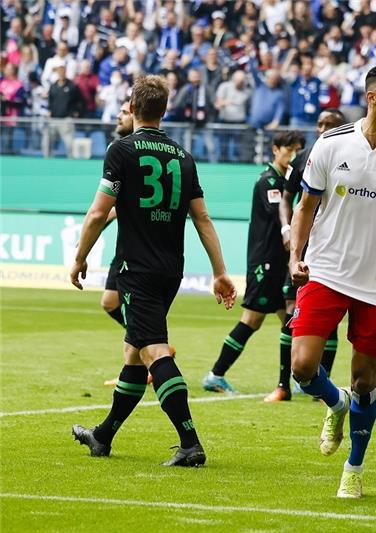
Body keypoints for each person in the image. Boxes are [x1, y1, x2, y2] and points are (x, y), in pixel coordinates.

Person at [70, 75, 237, 466]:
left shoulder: (121, 151)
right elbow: (203, 219)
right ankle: (103, 435)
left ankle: (190, 442)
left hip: (136, 269)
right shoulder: (183, 157)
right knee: (133, 351)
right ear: (165, 110)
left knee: (154, 352)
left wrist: (80, 257)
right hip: (170, 270)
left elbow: (98, 212)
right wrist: (220, 271)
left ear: (132, 105)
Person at [289, 64, 376, 498]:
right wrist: (296, 255)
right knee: (302, 367)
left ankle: (354, 467)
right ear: (372, 96)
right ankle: (336, 404)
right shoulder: (331, 144)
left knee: (366, 381)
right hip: (327, 270)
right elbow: (305, 208)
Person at [202, 130, 305, 395]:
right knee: (252, 320)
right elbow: (279, 215)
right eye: (289, 149)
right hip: (265, 262)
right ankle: (216, 374)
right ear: (275, 149)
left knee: (291, 320)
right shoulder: (268, 182)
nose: (292, 156)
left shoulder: (283, 181)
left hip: (279, 262)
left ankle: (295, 381)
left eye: (297, 151)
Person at [264, 108, 347, 403]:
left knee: (332, 318)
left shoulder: (351, 159)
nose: (323, 129)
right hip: (304, 248)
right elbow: (287, 198)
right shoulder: (304, 158)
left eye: (330, 125)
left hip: (332, 247)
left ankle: (319, 385)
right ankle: (283, 385)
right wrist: (287, 229)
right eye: (320, 124)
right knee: (290, 309)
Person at [99, 100, 176, 388]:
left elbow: (126, 202)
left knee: (118, 305)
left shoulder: (126, 150)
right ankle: (148, 354)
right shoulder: (117, 148)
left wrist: (100, 221)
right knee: (110, 302)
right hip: (132, 246)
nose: (119, 116)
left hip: (138, 248)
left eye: (124, 111)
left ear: (136, 113)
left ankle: (150, 355)